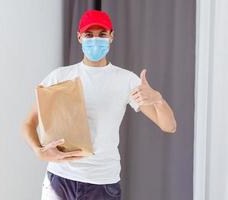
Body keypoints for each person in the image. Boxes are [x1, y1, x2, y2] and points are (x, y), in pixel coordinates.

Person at [21, 10, 177, 200]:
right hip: (59, 179)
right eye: (89, 35)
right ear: (79, 37)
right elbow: (29, 123)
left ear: (111, 36)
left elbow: (169, 126)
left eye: (102, 34)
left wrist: (158, 99)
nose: (95, 40)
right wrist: (39, 151)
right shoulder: (59, 76)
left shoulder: (126, 80)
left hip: (102, 182)